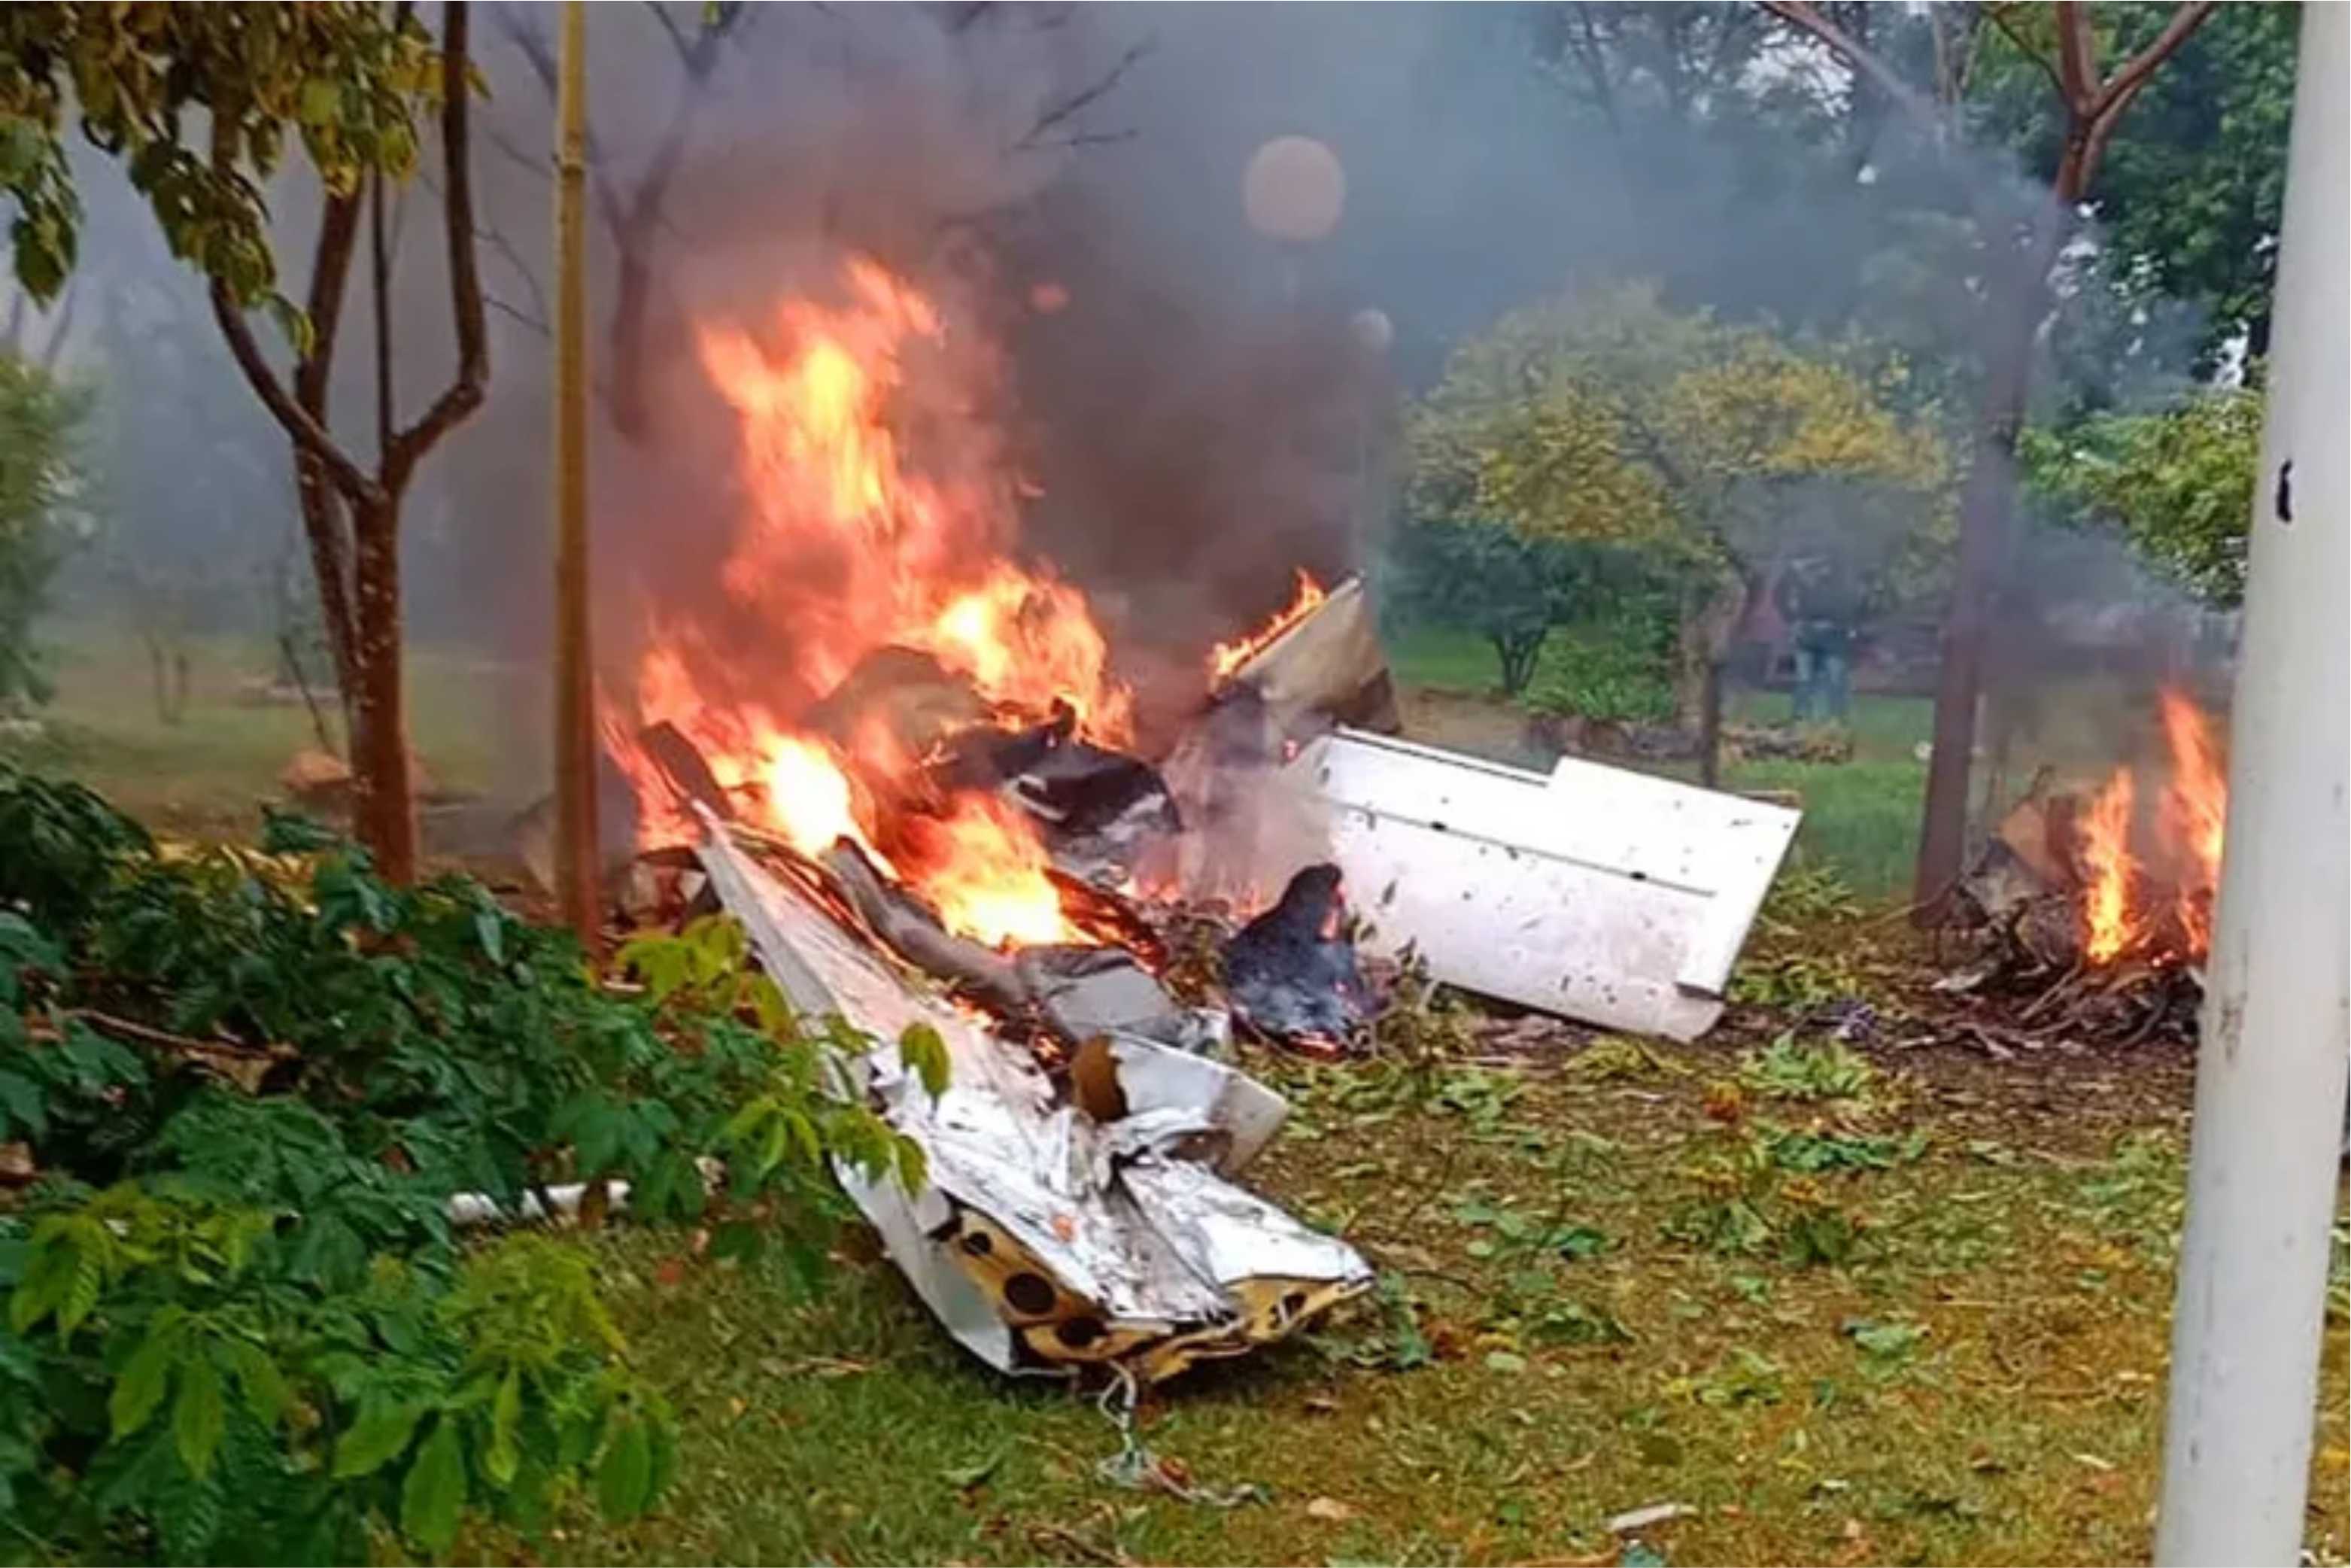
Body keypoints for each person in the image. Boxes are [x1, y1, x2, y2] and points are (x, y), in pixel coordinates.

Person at [1775, 556, 1864, 723]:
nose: (1820, 572)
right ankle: (1801, 716)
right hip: (1807, 638)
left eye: (1823, 568)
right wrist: (1795, 623)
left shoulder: (1842, 590)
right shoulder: (1804, 586)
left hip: (1833, 640)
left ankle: (1836, 717)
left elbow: (1851, 611)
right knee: (1805, 680)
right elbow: (1782, 593)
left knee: (1835, 680)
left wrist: (1845, 627)